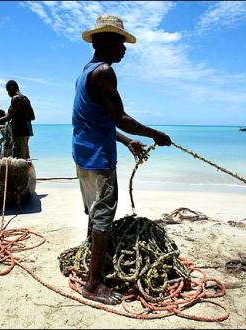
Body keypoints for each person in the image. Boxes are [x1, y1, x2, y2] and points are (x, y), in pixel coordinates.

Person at [72, 14, 172, 305]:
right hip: (98, 157)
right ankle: (92, 284)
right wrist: (156, 134)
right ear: (103, 41)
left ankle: (94, 261)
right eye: (120, 42)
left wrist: (128, 141)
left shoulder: (85, 71)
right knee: (103, 217)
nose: (124, 49)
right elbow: (120, 117)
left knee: (95, 213)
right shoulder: (103, 71)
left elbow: (95, 119)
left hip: (82, 152)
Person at [0, 80, 35, 159]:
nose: (8, 94)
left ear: (12, 88)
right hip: (26, 132)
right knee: (25, 158)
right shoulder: (25, 98)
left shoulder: (15, 98)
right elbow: (32, 117)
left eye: (8, 91)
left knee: (18, 160)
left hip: (19, 133)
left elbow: (8, 117)